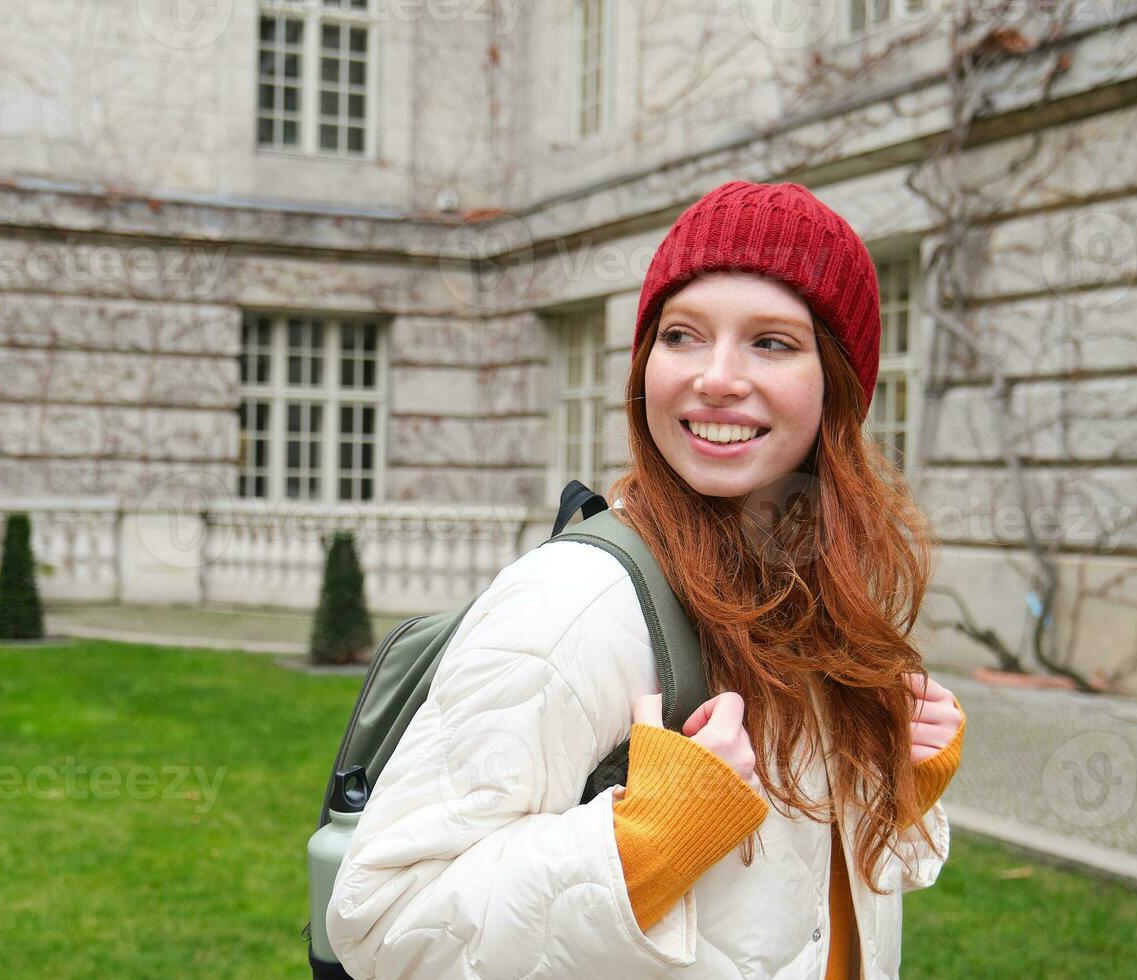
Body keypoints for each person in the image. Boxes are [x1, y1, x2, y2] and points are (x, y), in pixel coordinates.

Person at [324, 180, 965, 979]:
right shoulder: (577, 602)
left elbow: (782, 907)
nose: (716, 377)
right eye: (682, 335)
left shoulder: (804, 587)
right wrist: (641, 840)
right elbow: (381, 919)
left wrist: (886, 779)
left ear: (840, 383)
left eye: (771, 342)